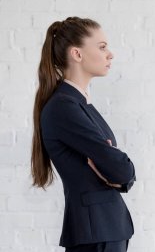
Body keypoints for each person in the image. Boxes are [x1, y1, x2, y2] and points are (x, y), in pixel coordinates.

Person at [31, 17, 136, 252]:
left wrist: (117, 171)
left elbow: (118, 171)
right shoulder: (64, 106)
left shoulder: (79, 103)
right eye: (102, 47)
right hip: (95, 232)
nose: (110, 54)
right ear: (77, 54)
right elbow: (121, 169)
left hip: (104, 229)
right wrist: (117, 169)